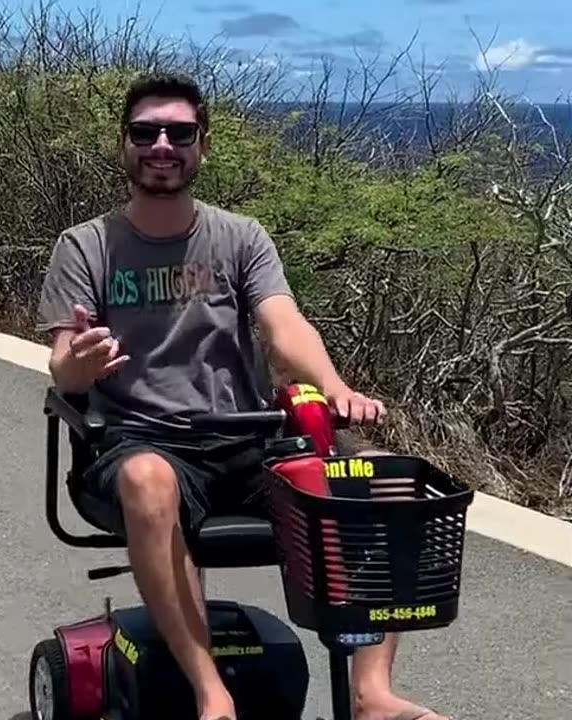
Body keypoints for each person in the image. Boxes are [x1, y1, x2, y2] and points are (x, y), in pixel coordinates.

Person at [36, 72, 447, 720]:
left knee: (385, 485)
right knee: (149, 480)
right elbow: (64, 361)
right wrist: (77, 365)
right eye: (146, 132)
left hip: (249, 442)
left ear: (202, 145)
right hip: (142, 444)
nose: (162, 144)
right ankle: (212, 695)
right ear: (124, 144)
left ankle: (372, 694)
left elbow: (284, 328)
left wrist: (334, 387)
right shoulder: (85, 247)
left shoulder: (240, 237)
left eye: (179, 132)